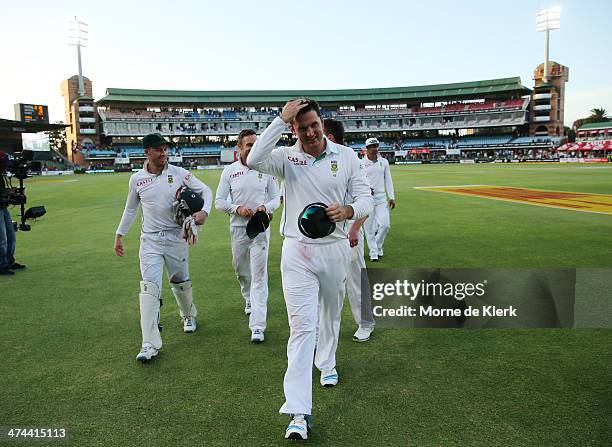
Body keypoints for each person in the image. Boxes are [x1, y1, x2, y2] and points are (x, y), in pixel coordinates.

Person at [247, 99, 373, 440]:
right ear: (294, 129)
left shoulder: (346, 156)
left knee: (330, 314)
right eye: (301, 127)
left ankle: (327, 363)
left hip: (333, 251)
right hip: (297, 253)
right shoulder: (286, 158)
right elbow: (253, 158)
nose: (310, 132)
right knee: (301, 329)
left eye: (314, 124)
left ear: (322, 123)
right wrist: (278, 119)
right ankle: (299, 412)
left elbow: (366, 199)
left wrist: (348, 211)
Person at [114, 133, 213, 362]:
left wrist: (203, 212)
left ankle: (188, 315)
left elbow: (206, 191)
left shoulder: (178, 173)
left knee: (181, 281)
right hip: (150, 240)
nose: (163, 153)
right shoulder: (137, 179)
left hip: (177, 237)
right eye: (159, 149)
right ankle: (149, 343)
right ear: (147, 151)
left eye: (166, 149)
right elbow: (130, 210)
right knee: (149, 289)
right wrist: (119, 234)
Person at [215, 129, 280, 343]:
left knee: (259, 276)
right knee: (242, 271)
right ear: (240, 148)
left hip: (260, 228)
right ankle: (248, 299)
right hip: (238, 229)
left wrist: (265, 206)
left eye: (256, 144)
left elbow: (276, 199)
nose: (253, 148)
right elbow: (219, 201)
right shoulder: (230, 171)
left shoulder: (267, 168)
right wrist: (237, 209)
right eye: (249, 145)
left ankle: (258, 326)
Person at [323, 120, 375, 342]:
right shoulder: (320, 160)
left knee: (355, 278)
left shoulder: (351, 160)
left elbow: (366, 200)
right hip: (326, 234)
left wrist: (354, 228)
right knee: (324, 281)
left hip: (349, 231)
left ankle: (365, 322)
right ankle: (320, 330)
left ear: (331, 137)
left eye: (320, 133)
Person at [362, 137, 396, 261]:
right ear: (367, 149)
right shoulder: (361, 163)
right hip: (367, 199)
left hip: (381, 199)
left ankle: (377, 246)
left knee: (385, 225)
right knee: (369, 228)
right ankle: (374, 252)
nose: (375, 148)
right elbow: (358, 181)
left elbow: (388, 180)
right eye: (372, 146)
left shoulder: (384, 162)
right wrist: (366, 189)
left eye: (376, 146)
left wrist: (391, 197)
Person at [0, 151, 25, 276]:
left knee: (11, 235)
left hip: (3, 208)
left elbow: (2, 191)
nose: (5, 166)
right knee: (2, 239)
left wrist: (11, 192)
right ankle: (2, 265)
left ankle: (9, 261)